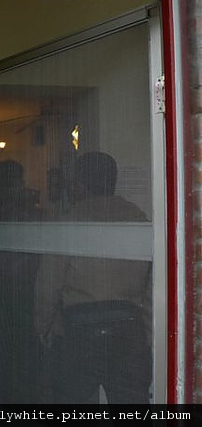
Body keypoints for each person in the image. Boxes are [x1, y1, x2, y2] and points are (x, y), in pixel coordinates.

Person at [34, 151, 152, 404]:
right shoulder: (138, 220)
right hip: (129, 327)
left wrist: (42, 329)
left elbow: (48, 284)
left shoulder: (69, 222)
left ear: (79, 184)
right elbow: (152, 286)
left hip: (80, 328)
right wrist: (149, 332)